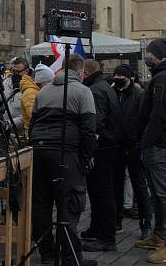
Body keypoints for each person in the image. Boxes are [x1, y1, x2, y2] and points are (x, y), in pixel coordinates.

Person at [29, 54, 97, 266]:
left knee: (41, 204)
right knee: (69, 202)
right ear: (79, 71)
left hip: (39, 150)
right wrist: (88, 157)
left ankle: (47, 253)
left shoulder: (44, 90)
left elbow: (32, 123)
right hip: (66, 152)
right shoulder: (83, 92)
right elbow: (88, 129)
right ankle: (69, 256)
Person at [135, 38, 166, 264]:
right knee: (158, 193)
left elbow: (158, 115)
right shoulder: (163, 76)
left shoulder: (163, 79)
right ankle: (160, 235)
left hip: (160, 144)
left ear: (157, 55)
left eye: (150, 53)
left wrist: (145, 142)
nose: (147, 57)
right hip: (157, 143)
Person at [105, 63, 152, 240]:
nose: (117, 81)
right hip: (116, 145)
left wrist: (137, 139)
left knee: (139, 185)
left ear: (130, 79)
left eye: (120, 79)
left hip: (133, 145)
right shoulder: (113, 92)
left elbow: (142, 119)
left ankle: (145, 222)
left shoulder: (139, 94)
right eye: (115, 78)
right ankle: (117, 220)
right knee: (116, 184)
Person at [81, 59, 117, 252]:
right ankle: (96, 228)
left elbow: (96, 121)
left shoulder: (95, 90)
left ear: (85, 73)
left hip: (102, 146)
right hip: (109, 144)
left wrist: (90, 147)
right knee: (98, 192)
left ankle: (106, 237)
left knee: (102, 192)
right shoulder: (103, 85)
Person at [6, 57, 35, 134]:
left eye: (18, 72)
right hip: (6, 131)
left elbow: (30, 114)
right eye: (13, 71)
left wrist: (10, 123)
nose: (15, 74)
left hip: (22, 132)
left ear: (27, 71)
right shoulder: (7, 82)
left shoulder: (32, 86)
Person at [23, 64, 53, 135]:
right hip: (34, 134)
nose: (52, 85)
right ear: (44, 82)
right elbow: (34, 116)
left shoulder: (38, 91)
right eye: (50, 82)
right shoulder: (31, 93)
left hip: (39, 132)